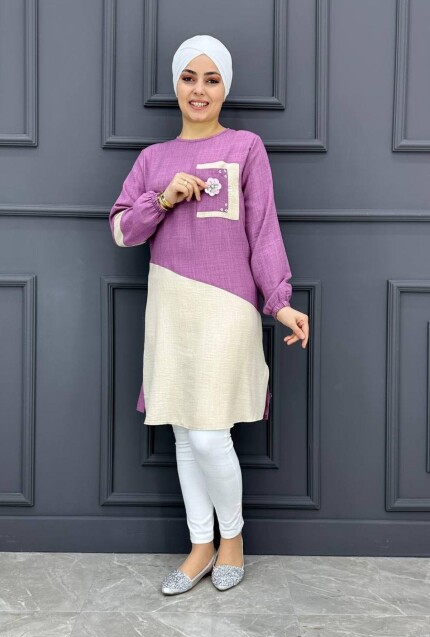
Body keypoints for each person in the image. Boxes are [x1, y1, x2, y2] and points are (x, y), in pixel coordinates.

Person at [109, 34, 309, 595]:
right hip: (170, 305)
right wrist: (162, 198)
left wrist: (280, 302)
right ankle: (201, 546)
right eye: (189, 78)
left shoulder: (246, 147)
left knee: (207, 434)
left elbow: (263, 231)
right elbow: (122, 230)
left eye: (212, 79)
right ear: (176, 85)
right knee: (181, 429)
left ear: (225, 88)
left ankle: (233, 539)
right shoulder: (152, 160)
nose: (199, 90)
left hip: (227, 307)